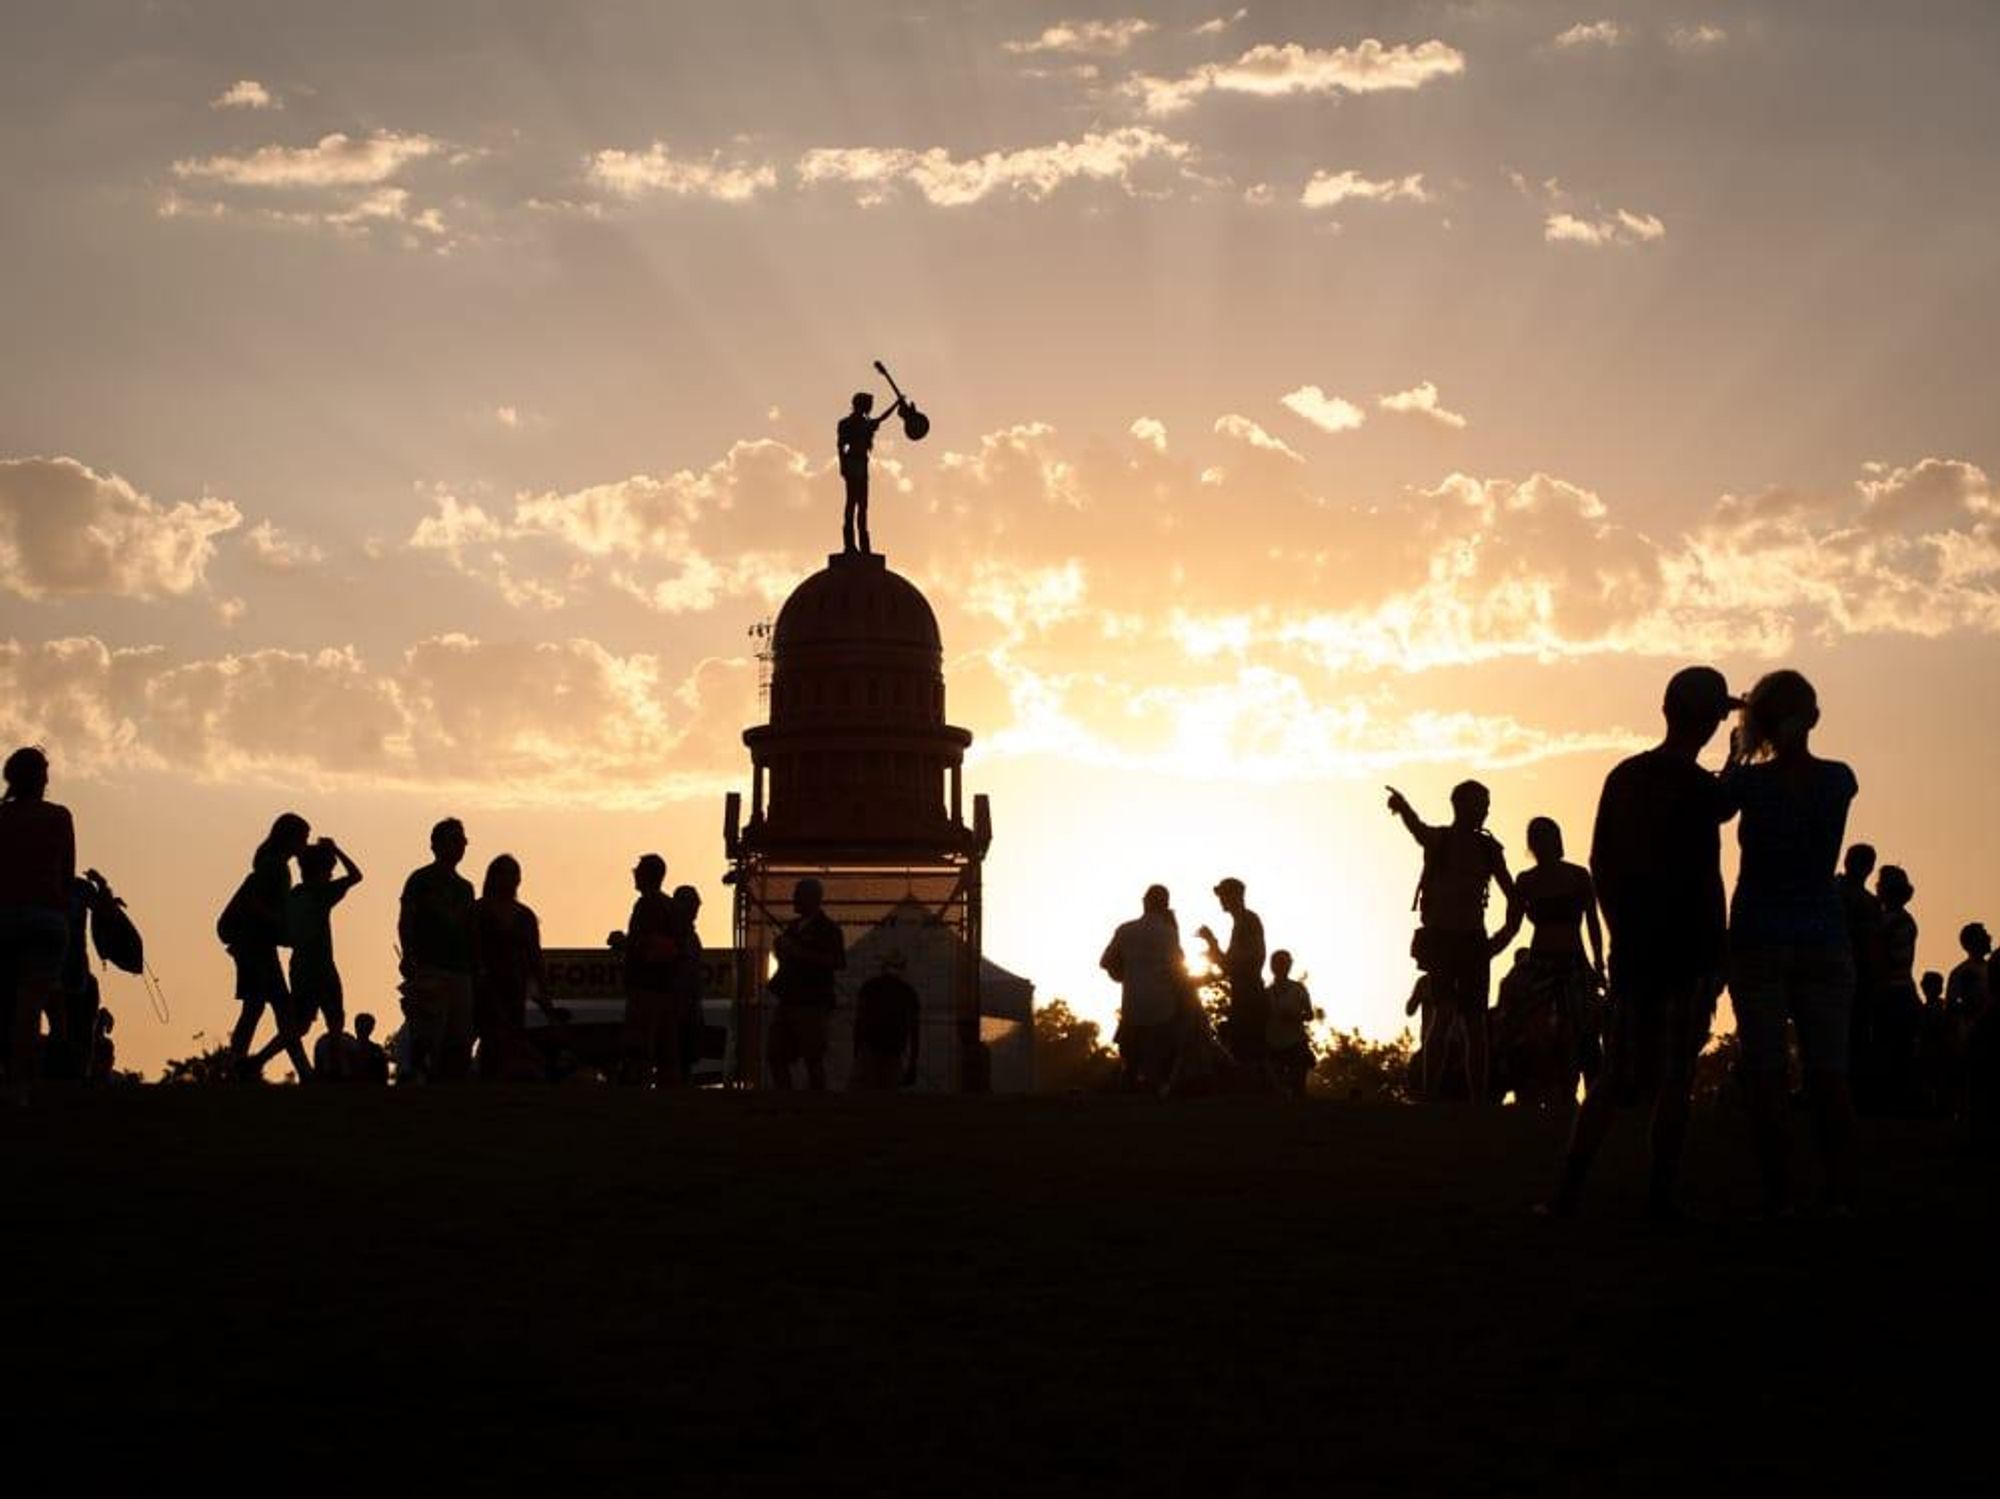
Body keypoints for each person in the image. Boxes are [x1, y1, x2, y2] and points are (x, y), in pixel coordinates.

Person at [1542, 667, 1738, 1219]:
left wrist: (1621, 929)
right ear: (1708, 720)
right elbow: (1725, 804)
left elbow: (1601, 861)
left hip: (1638, 951)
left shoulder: (1627, 776)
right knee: (1675, 1079)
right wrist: (1740, 755)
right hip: (1690, 950)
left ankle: (1568, 1192)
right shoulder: (1701, 787)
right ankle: (1659, 1197)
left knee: (1613, 1078)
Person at [1720, 669, 1861, 1216]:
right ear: (1814, 717)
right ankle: (1840, 1195)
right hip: (1822, 933)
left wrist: (1739, 745)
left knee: (1767, 1072)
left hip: (1759, 932)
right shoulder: (1839, 779)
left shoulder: (1750, 784)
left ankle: (1781, 1194)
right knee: (1830, 1073)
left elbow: (1718, 802)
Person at [1388, 780, 1515, 1103]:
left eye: (1487, 804)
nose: (1485, 811)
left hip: (1473, 942)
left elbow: (1514, 898)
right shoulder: (1440, 839)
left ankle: (1477, 1101)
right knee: (1443, 1016)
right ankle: (1431, 1095)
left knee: (1475, 1023)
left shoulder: (1489, 849)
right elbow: (1418, 829)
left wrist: (1502, 939)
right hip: (1443, 942)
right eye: (1480, 804)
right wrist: (1402, 807)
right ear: (1460, 804)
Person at [1489, 816, 1607, 1106]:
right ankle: (1517, 1083)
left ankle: (1584, 1095)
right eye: (1536, 837)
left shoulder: (1579, 876)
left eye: (1546, 836)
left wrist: (1599, 965)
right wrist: (1488, 949)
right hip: (1538, 962)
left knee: (1583, 1030)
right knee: (1517, 1021)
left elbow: (1593, 922)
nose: (1541, 842)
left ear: (1557, 839)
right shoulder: (1526, 880)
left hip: (1573, 962)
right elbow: (1513, 925)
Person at [219, 811, 312, 1082]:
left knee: (255, 1007)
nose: (305, 844)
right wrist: (282, 928)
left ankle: (235, 1066)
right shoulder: (275, 868)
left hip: (255, 945)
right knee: (282, 1010)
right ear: (290, 839)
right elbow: (257, 905)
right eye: (302, 838)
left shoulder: (271, 864)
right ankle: (303, 1071)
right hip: (257, 947)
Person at [272, 838, 362, 1075]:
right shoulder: (322, 892)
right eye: (330, 870)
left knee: (302, 1025)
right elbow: (355, 875)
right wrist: (337, 849)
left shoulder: (295, 895)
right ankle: (336, 1070)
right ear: (322, 870)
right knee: (334, 1022)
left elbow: (284, 933)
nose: (333, 875)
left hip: (300, 966)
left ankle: (260, 1059)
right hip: (321, 966)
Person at [397, 818, 476, 1083]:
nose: (459, 846)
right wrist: (408, 954)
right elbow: (406, 919)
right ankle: (420, 1081)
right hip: (429, 967)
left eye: (462, 841)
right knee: (427, 1034)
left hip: (461, 969)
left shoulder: (466, 888)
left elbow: (469, 930)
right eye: (454, 840)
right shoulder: (420, 880)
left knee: (459, 1037)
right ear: (436, 845)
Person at [1100, 885, 1188, 1093]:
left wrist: (1122, 974)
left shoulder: (1125, 930)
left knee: (1131, 1064)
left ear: (1144, 902)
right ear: (1165, 905)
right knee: (1159, 1065)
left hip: (1133, 1005)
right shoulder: (1169, 933)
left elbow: (1105, 961)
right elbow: (1179, 967)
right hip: (1163, 1008)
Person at [474, 854, 548, 1082]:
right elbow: (472, 946)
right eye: (504, 874)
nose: (510, 879)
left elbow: (535, 955)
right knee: (489, 1035)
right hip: (484, 985)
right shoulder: (479, 911)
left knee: (512, 1036)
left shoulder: (525, 916)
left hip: (515, 986)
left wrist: (543, 991)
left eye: (514, 874)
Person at [767, 877, 844, 1089]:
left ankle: (815, 1106)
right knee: (775, 1055)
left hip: (812, 1003)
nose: (793, 899)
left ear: (812, 898)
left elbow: (835, 961)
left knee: (812, 1057)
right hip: (788, 1000)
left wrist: (800, 953)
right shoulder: (793, 928)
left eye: (798, 894)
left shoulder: (829, 930)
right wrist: (782, 950)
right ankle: (786, 1101)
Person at [620, 853, 684, 1088]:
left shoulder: (648, 904)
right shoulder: (672, 907)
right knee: (667, 1049)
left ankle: (641, 1090)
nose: (634, 874)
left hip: (646, 987)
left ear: (646, 875)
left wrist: (624, 944)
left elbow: (650, 946)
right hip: (667, 988)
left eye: (637, 870)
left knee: (640, 1047)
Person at [1837, 844, 1887, 1109]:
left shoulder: (1866, 901)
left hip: (1860, 977)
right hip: (1839, 973)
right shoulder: (1840, 894)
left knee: (1856, 1035)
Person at [1198, 878, 1267, 1065]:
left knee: (1249, 1048)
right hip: (1243, 992)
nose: (1221, 899)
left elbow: (1249, 959)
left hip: (1250, 992)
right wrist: (1212, 944)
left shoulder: (1249, 920)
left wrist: (1212, 944)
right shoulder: (1242, 923)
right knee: (1242, 1045)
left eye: (1224, 895)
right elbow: (1229, 965)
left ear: (1236, 896)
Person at [1873, 865, 1920, 1114]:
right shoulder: (1895, 919)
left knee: (1895, 1049)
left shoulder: (1898, 922)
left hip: (1895, 992)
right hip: (1897, 992)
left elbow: (1894, 960)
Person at [837, 389, 901, 555]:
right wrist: (843, 465)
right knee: (852, 504)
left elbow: (881, 418)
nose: (871, 408)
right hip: (853, 463)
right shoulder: (847, 424)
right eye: (869, 405)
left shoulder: (864, 424)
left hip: (860, 464)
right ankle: (850, 545)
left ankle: (863, 547)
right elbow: (840, 446)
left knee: (862, 506)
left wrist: (896, 403)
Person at [851, 952, 921, 1091]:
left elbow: (859, 1022)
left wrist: (857, 1052)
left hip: (871, 1051)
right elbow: (914, 1031)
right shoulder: (908, 993)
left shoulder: (870, 987)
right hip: (892, 1052)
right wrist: (912, 1065)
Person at [1943, 924, 1990, 1120]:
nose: (1989, 938)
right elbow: (1951, 1007)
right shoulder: (1961, 973)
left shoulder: (1991, 969)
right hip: (1971, 1034)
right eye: (1983, 936)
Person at [1264, 950, 1315, 1096]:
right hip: (1272, 1044)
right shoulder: (1266, 993)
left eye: (1285, 963)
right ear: (1272, 966)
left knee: (1298, 1087)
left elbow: (1310, 1014)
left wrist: (1296, 1017)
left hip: (1296, 1043)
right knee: (1275, 1089)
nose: (1282, 966)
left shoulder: (1299, 989)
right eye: (1279, 963)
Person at [670, 885, 707, 1084]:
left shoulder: (689, 936)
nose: (695, 912)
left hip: (687, 1005)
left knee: (683, 1057)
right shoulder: (680, 935)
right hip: (677, 1005)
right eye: (692, 906)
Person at [349, 1012, 390, 1085]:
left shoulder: (377, 1050)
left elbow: (384, 1074)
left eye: (368, 1026)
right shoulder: (348, 1048)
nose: (364, 1028)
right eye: (362, 1025)